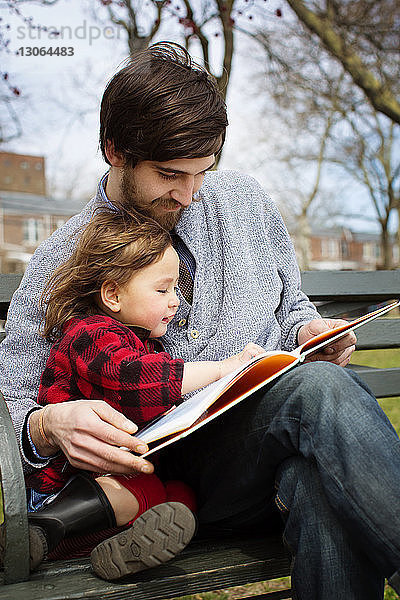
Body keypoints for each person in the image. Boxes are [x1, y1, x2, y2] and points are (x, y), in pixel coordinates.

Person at [0, 41, 399, 599]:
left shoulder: (246, 204)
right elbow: (14, 393)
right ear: (114, 150)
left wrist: (309, 333)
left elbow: (292, 308)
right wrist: (47, 426)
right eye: (169, 174)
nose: (189, 194)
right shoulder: (63, 258)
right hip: (154, 488)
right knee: (321, 400)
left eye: (202, 172)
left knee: (316, 471)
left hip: (260, 457)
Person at [8, 208, 265, 580]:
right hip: (66, 486)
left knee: (180, 495)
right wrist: (225, 368)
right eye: (162, 290)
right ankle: (41, 531)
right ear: (113, 294)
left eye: (175, 288)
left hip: (117, 482)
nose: (175, 300)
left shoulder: (143, 344)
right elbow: (134, 379)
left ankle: (116, 549)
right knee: (145, 486)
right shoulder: (91, 334)